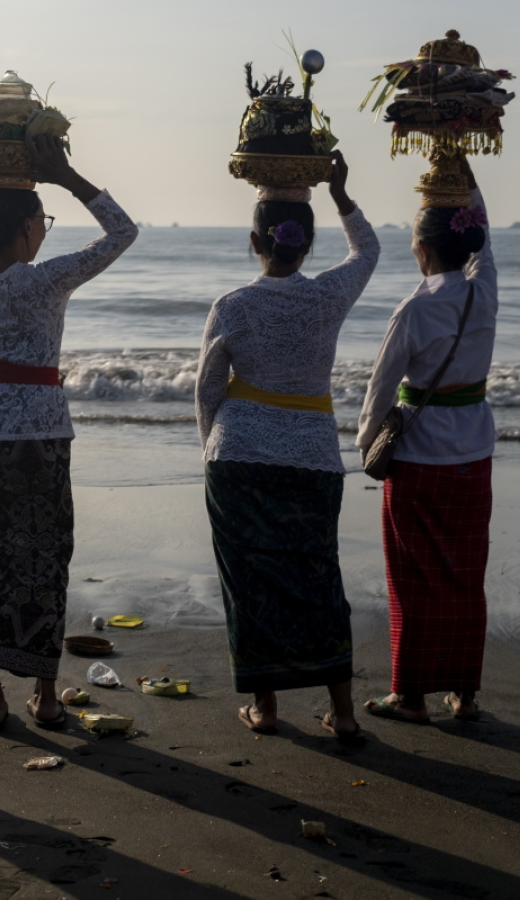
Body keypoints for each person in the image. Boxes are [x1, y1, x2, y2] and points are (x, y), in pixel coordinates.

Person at [0, 135, 138, 732]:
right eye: (43, 221)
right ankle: (48, 697)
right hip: (43, 436)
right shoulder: (47, 280)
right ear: (27, 229)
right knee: (44, 560)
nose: (47, 232)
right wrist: (67, 176)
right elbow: (121, 232)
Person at [196, 152, 380, 745]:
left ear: (255, 240)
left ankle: (267, 707)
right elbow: (369, 252)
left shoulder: (233, 304)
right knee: (318, 576)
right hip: (313, 457)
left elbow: (207, 389)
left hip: (239, 456)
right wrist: (341, 194)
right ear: (308, 243)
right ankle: (344, 711)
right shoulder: (328, 296)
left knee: (248, 582)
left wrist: (211, 449)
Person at [356, 158, 496, 724]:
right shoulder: (482, 292)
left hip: (417, 457)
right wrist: (463, 169)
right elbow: (487, 239)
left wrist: (367, 445)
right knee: (465, 574)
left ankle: (410, 695)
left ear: (421, 248)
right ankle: (463, 692)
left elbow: (380, 390)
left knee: (412, 577)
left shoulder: (415, 308)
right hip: (473, 453)